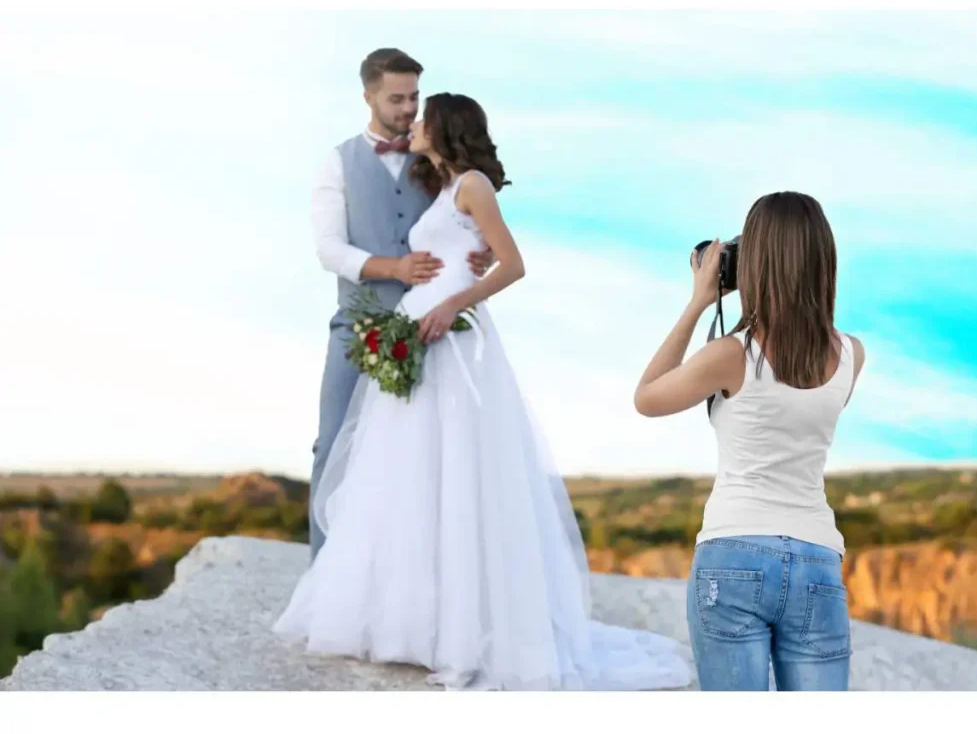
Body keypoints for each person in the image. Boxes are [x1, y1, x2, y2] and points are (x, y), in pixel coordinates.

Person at [274, 92, 691, 692]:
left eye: (424, 117)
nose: (414, 123)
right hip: (419, 338)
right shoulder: (444, 185)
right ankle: (409, 622)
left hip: (455, 340)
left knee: (458, 473)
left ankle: (461, 630)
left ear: (443, 127)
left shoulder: (471, 184)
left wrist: (451, 302)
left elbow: (514, 263)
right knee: (408, 478)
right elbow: (476, 247)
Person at [634, 191, 866, 691]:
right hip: (816, 559)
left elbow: (647, 397)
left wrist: (699, 300)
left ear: (754, 264)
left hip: (732, 551)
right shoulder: (851, 356)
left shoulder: (730, 356)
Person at [307, 48, 492, 560]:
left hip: (427, 330)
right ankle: (324, 574)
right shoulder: (337, 161)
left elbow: (476, 215)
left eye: (414, 97)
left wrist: (482, 252)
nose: (409, 109)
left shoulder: (433, 157)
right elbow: (328, 249)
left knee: (422, 459)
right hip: (357, 326)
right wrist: (395, 269)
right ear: (368, 95)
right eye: (397, 98)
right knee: (332, 446)